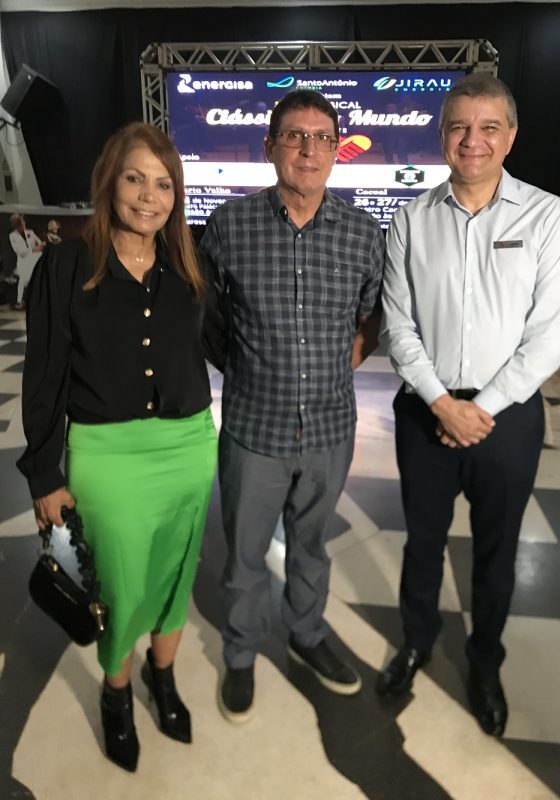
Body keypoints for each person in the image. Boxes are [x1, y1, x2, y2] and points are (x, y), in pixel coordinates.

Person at [377, 74, 560, 737]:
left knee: (497, 551)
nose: (473, 140)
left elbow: (553, 333)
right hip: (425, 412)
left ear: (510, 136)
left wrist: (479, 406)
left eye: (489, 127)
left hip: (507, 416)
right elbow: (397, 325)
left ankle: (485, 663)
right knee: (422, 544)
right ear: (441, 135)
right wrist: (441, 402)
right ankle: (416, 643)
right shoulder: (411, 218)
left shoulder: (546, 216)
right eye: (459, 126)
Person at [17, 122, 222, 772]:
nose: (147, 196)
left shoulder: (189, 265)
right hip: (107, 456)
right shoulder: (66, 266)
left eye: (163, 184)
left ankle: (163, 677)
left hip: (188, 449)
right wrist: (44, 475)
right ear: (109, 182)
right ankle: (116, 692)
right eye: (135, 179)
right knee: (123, 586)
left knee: (177, 575)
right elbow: (44, 376)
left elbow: (216, 347)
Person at [200, 89, 385, 723]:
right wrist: (250, 372)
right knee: (244, 554)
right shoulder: (229, 226)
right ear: (270, 146)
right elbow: (210, 320)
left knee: (312, 546)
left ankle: (306, 635)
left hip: (330, 429)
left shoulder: (362, 233)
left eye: (322, 138)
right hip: (254, 430)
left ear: (337, 150)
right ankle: (241, 652)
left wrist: (336, 366)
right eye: (294, 136)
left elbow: (370, 318)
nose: (309, 149)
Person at [8, 213, 44, 308]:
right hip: (23, 261)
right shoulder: (12, 236)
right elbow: (19, 252)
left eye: (24, 222)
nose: (24, 224)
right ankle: (19, 301)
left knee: (36, 279)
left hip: (35, 258)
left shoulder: (30, 232)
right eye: (22, 223)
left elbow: (40, 243)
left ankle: (37, 301)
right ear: (17, 225)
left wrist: (40, 245)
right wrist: (33, 249)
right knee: (23, 280)